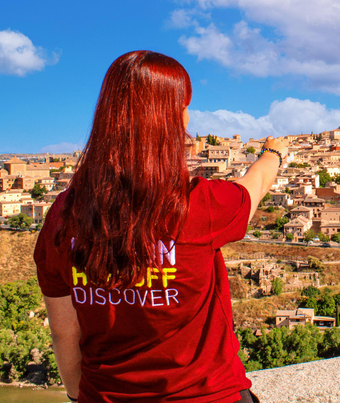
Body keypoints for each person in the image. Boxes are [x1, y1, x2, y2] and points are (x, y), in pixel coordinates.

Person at [34, 51, 287, 403]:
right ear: (172, 118)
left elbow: (64, 332)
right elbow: (254, 186)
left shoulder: (63, 214)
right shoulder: (200, 205)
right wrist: (272, 153)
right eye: (184, 106)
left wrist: (82, 397)